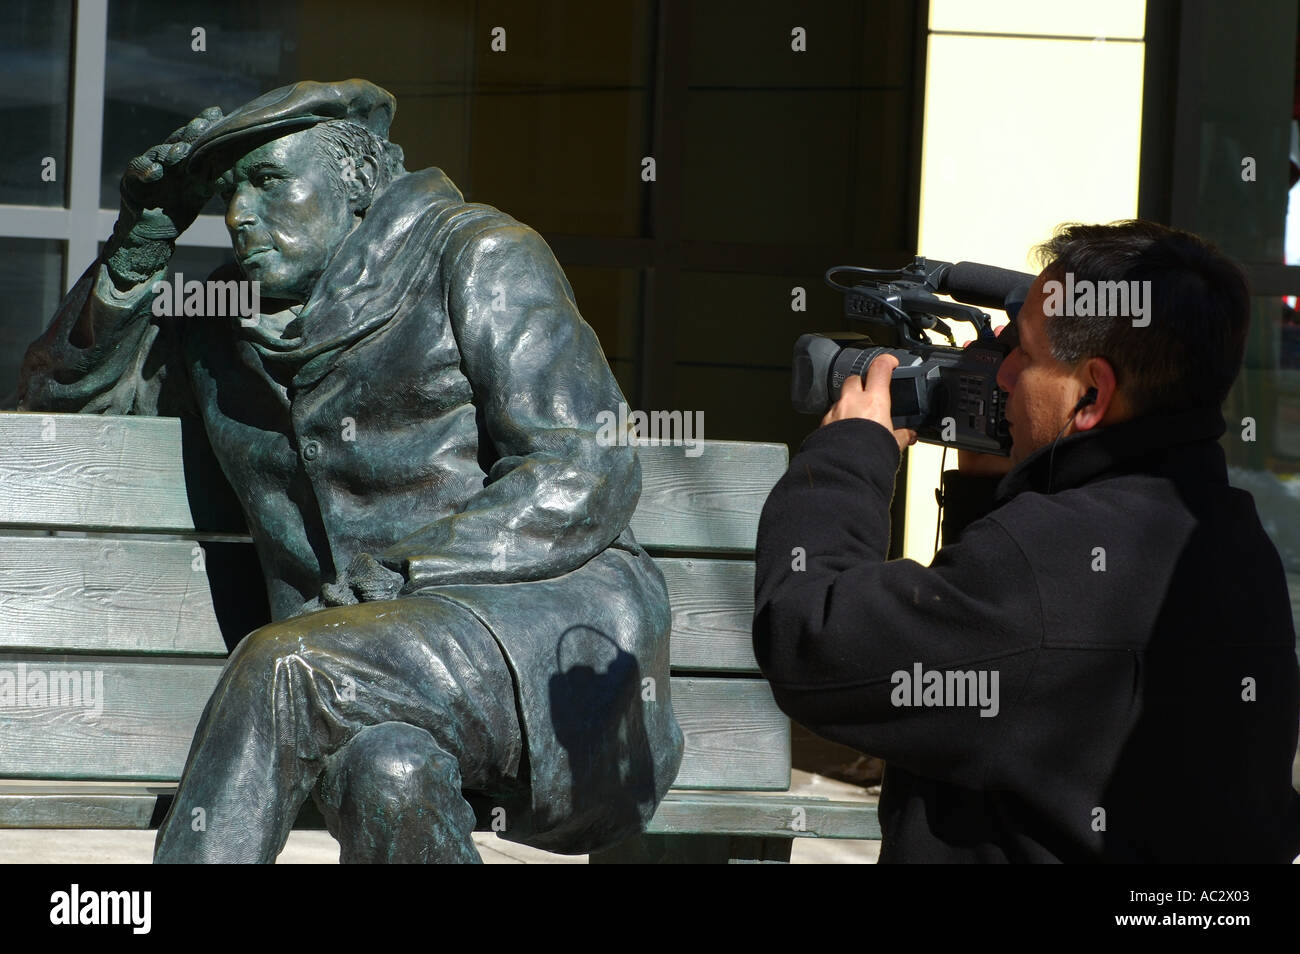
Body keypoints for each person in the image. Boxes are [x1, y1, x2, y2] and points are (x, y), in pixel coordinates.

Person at [15, 79, 683, 863]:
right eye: (229, 193)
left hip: (542, 664)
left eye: (269, 183)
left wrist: (409, 567)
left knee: (284, 666)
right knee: (385, 777)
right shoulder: (221, 317)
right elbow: (59, 405)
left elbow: (585, 464)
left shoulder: (476, 256)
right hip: (361, 699)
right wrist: (141, 238)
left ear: (357, 182)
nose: (239, 214)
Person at [753, 220, 1300, 862]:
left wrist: (847, 454)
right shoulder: (1236, 546)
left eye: (1025, 354)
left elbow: (811, 641)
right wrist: (992, 492)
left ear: (1093, 393)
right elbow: (1029, 698)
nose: (1002, 374)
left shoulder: (1040, 571)